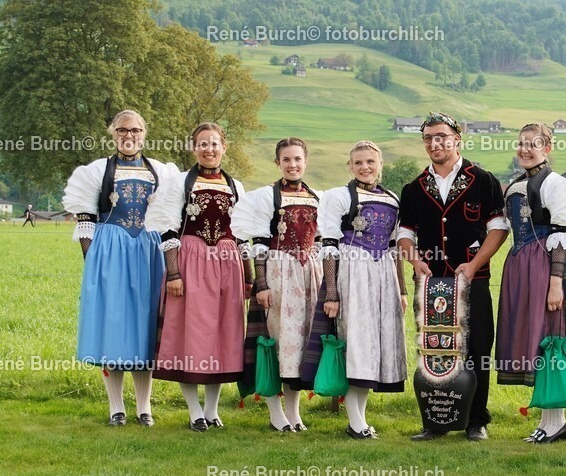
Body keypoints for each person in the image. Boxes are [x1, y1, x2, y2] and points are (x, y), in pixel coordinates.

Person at [63, 110, 180, 427]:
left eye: (136, 130)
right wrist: (94, 263)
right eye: (122, 130)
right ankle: (116, 407)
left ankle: (144, 407)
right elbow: (86, 220)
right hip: (111, 251)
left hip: (148, 250)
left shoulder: (161, 171)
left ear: (144, 133)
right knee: (114, 328)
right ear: (112, 132)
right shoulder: (98, 171)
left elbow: (170, 219)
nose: (129, 135)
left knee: (145, 329)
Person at [397, 112, 508, 441]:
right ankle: (436, 421)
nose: (436, 143)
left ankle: (476, 420)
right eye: (429, 138)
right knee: (435, 348)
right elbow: (404, 234)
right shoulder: (414, 188)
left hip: (473, 280)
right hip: (432, 283)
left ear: (457, 139)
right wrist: (415, 261)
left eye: (442, 136)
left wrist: (474, 265)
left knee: (476, 349)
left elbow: (498, 229)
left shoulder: (483, 180)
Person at [145, 122, 250, 432]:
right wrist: (174, 273)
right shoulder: (179, 183)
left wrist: (248, 276)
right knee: (190, 335)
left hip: (227, 264)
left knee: (222, 334)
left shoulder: (237, 186)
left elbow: (243, 235)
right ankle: (194, 411)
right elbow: (167, 228)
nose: (209, 149)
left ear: (224, 147)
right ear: (194, 148)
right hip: (191, 260)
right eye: (203, 144)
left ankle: (213, 410)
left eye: (215, 143)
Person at [496, 123, 566, 443]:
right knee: (534, 338)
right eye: (521, 143)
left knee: (550, 336)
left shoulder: (555, 182)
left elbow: (561, 235)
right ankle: (549, 422)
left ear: (547, 148)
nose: (524, 149)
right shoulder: (516, 184)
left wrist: (555, 282)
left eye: (532, 144)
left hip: (546, 264)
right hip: (521, 265)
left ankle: (555, 422)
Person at [317, 141, 408, 440]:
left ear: (380, 164)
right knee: (356, 340)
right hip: (353, 270)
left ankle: (360, 419)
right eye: (358, 162)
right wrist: (331, 293)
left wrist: (403, 290)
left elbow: (395, 247)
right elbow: (329, 246)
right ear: (350, 166)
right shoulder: (341, 196)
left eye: (370, 161)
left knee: (374, 345)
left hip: (383, 273)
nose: (365, 167)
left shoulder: (393, 199)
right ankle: (355, 421)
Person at [231, 137, 321, 432]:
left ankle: (294, 413)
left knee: (300, 344)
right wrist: (261, 283)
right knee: (276, 341)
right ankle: (275, 412)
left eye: (297, 159)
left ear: (306, 161)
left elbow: (320, 239)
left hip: (308, 275)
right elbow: (258, 243)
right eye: (286, 160)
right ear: (278, 163)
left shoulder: (315, 197)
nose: (293, 165)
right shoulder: (267, 197)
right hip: (278, 273)